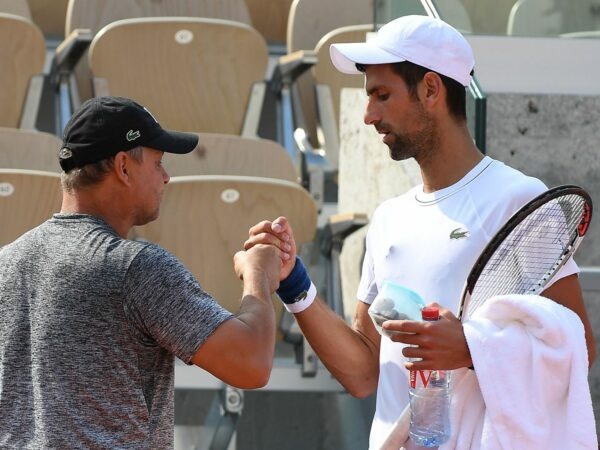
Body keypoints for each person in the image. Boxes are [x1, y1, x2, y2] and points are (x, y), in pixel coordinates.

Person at [243, 15, 596, 449]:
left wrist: (470, 348)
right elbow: (362, 372)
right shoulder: (388, 218)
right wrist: (295, 283)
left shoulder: (518, 198)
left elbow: (579, 347)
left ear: (431, 89)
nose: (369, 115)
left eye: (382, 95)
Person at [0, 96, 282, 449]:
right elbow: (252, 364)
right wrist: (258, 276)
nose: (166, 177)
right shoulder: (137, 268)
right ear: (123, 167)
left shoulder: (5, 263)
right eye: (158, 163)